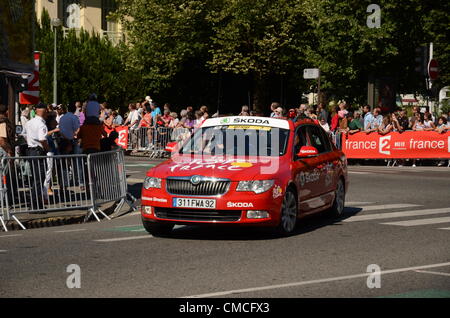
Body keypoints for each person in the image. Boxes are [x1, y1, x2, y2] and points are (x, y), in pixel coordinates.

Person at [23, 102, 50, 209]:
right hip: (38, 152)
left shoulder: (29, 122)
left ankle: (34, 204)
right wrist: (47, 149)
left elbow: (23, 134)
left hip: (31, 151)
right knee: (39, 179)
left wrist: (31, 142)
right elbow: (42, 139)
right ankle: (36, 205)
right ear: (44, 112)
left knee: (36, 179)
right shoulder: (41, 124)